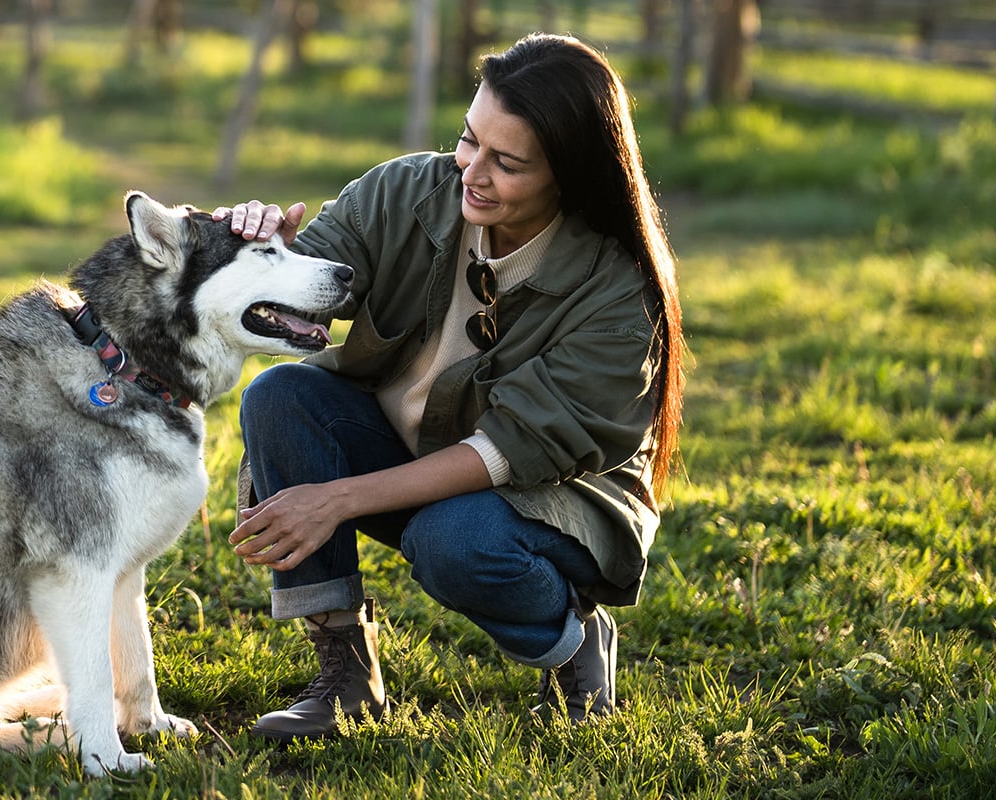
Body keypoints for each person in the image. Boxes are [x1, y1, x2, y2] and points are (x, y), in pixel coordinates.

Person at [213, 32, 684, 741]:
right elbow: (309, 281)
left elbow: (509, 451)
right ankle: (346, 674)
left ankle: (576, 644)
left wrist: (333, 499)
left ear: (570, 174)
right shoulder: (408, 192)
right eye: (469, 140)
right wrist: (254, 246)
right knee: (282, 398)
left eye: (508, 162)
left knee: (453, 539)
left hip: (549, 498)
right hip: (416, 448)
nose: (472, 171)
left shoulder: (618, 294)